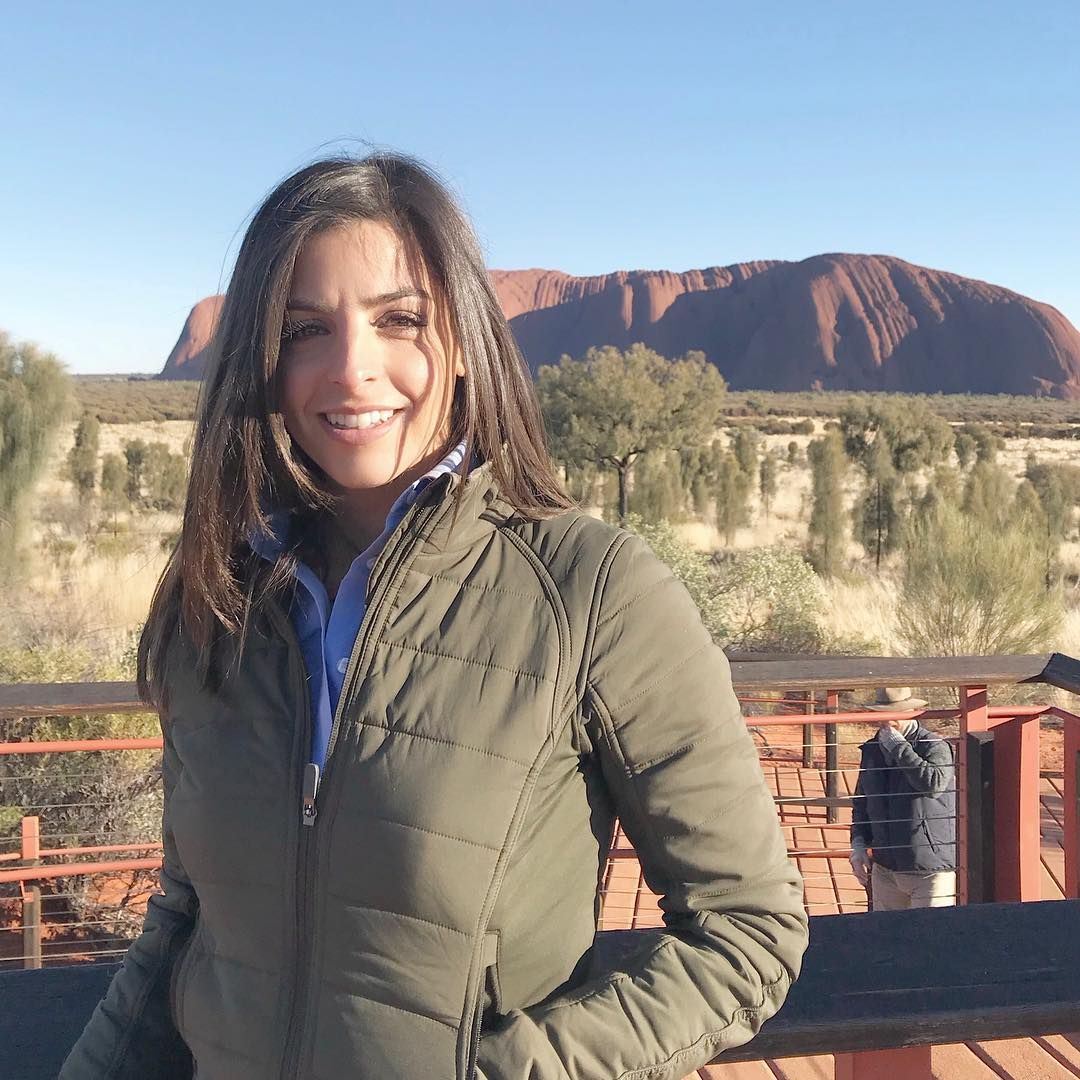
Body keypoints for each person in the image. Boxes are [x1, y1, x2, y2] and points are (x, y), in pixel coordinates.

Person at [61, 153, 808, 1080]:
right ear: (262, 359)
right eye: (303, 330)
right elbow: (185, 919)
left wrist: (521, 1070)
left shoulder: (592, 592)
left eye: (400, 320)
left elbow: (748, 930)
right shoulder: (219, 594)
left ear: (463, 342)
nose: (351, 370)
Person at [849, 687, 957, 911]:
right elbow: (862, 801)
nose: (886, 721)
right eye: (881, 714)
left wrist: (899, 747)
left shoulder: (934, 745)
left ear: (912, 712)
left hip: (929, 868)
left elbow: (934, 784)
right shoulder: (872, 749)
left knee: (932, 931)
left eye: (895, 713)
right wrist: (858, 844)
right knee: (886, 932)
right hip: (885, 867)